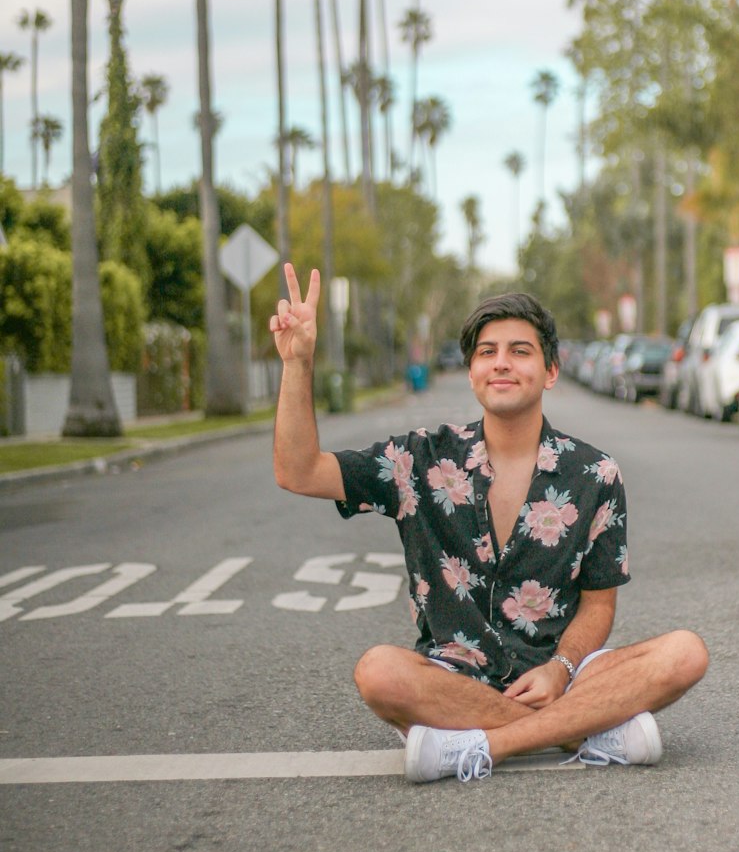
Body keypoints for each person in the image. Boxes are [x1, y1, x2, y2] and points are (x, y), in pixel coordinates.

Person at [270, 262, 708, 784]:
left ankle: (476, 747)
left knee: (686, 653)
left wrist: (559, 669)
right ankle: (582, 733)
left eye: (520, 351)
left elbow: (598, 605)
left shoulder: (595, 474)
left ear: (550, 370)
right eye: (487, 352)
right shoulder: (419, 460)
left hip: (560, 677)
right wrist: (298, 364)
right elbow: (299, 470)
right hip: (452, 676)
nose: (502, 363)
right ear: (472, 370)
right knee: (378, 673)